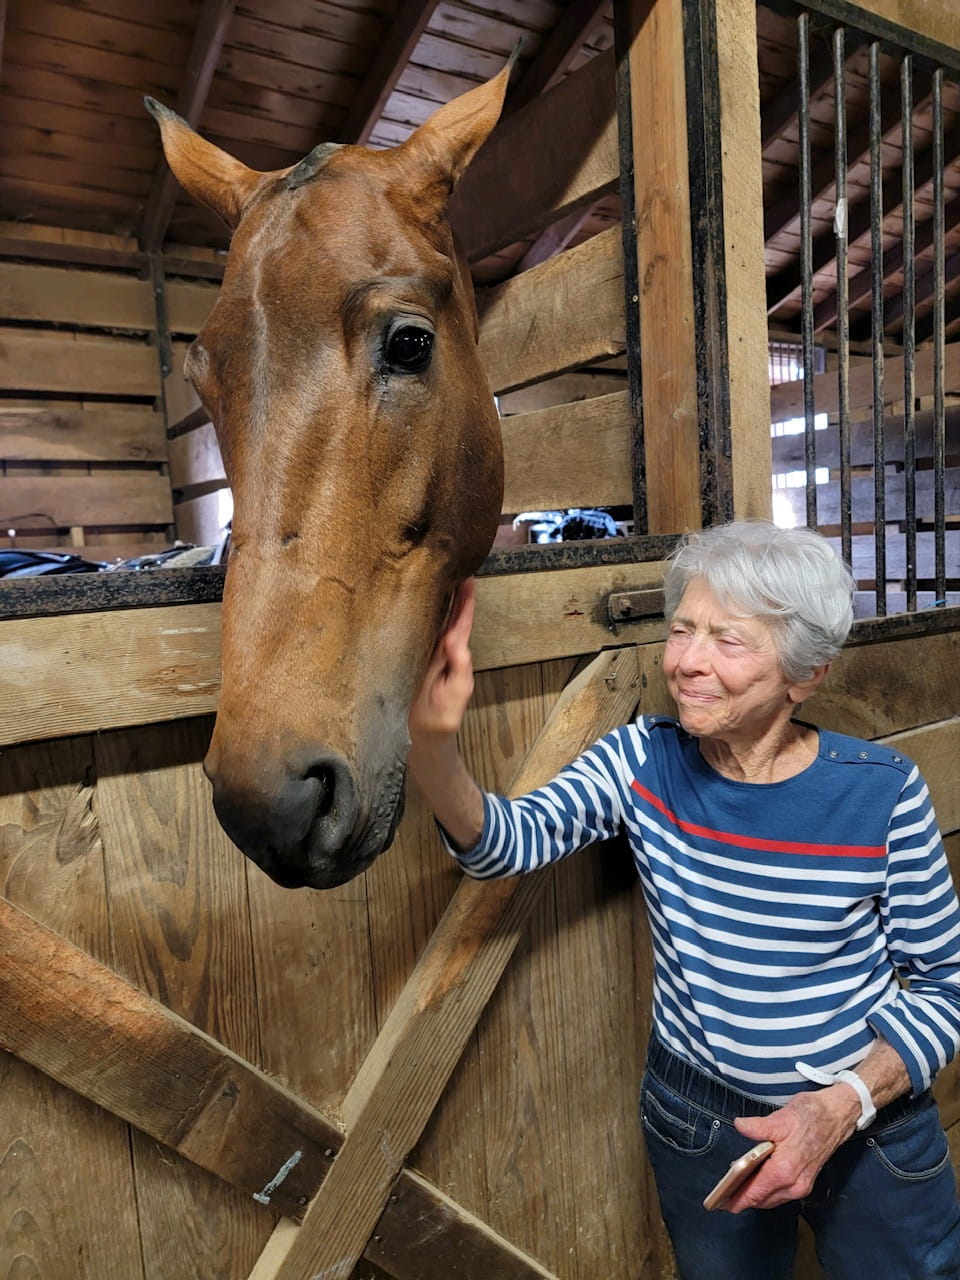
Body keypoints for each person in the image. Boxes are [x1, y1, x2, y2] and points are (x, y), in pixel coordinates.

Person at [407, 519, 960, 1280]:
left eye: (727, 642)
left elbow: (945, 988)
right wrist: (433, 747)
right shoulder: (642, 761)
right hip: (700, 1122)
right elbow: (506, 844)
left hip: (869, 1125)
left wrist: (839, 1105)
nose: (687, 663)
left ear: (805, 675)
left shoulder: (884, 792)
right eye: (680, 630)